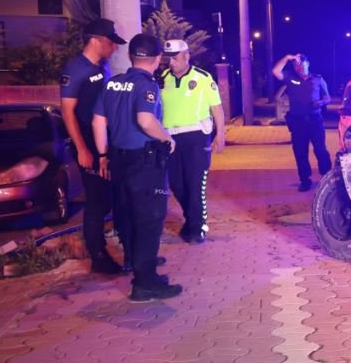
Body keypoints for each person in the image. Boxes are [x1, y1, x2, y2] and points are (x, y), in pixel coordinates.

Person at [92, 34, 182, 302]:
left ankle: (138, 266)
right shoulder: (147, 86)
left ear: (132, 57)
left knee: (128, 216)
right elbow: (145, 120)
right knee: (149, 220)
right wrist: (167, 137)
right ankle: (145, 283)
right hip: (144, 162)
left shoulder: (113, 84)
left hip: (118, 159)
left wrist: (102, 155)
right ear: (156, 59)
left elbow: (98, 122)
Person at [59, 18, 129, 275]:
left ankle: (130, 251)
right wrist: (82, 149)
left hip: (106, 143)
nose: (115, 48)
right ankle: (98, 256)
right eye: (112, 42)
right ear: (97, 40)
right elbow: (68, 112)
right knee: (97, 201)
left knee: (115, 197)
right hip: (88, 142)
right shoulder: (76, 69)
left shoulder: (103, 66)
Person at [159, 39, 226, 244]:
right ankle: (191, 219)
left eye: (176, 58)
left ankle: (197, 228)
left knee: (195, 184)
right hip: (170, 139)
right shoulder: (162, 78)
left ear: (187, 56)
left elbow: (217, 108)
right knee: (177, 184)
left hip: (196, 137)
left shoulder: (203, 78)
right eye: (168, 59)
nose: (172, 63)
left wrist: (221, 134)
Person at [272, 53, 331, 191]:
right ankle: (305, 180)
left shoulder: (318, 79)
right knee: (300, 152)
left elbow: (327, 97)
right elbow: (275, 71)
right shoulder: (290, 78)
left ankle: (327, 177)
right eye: (295, 65)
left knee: (321, 150)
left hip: (315, 121)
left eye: (301, 64)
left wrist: (321, 102)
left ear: (308, 64)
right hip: (298, 123)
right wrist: (287, 58)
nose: (298, 67)